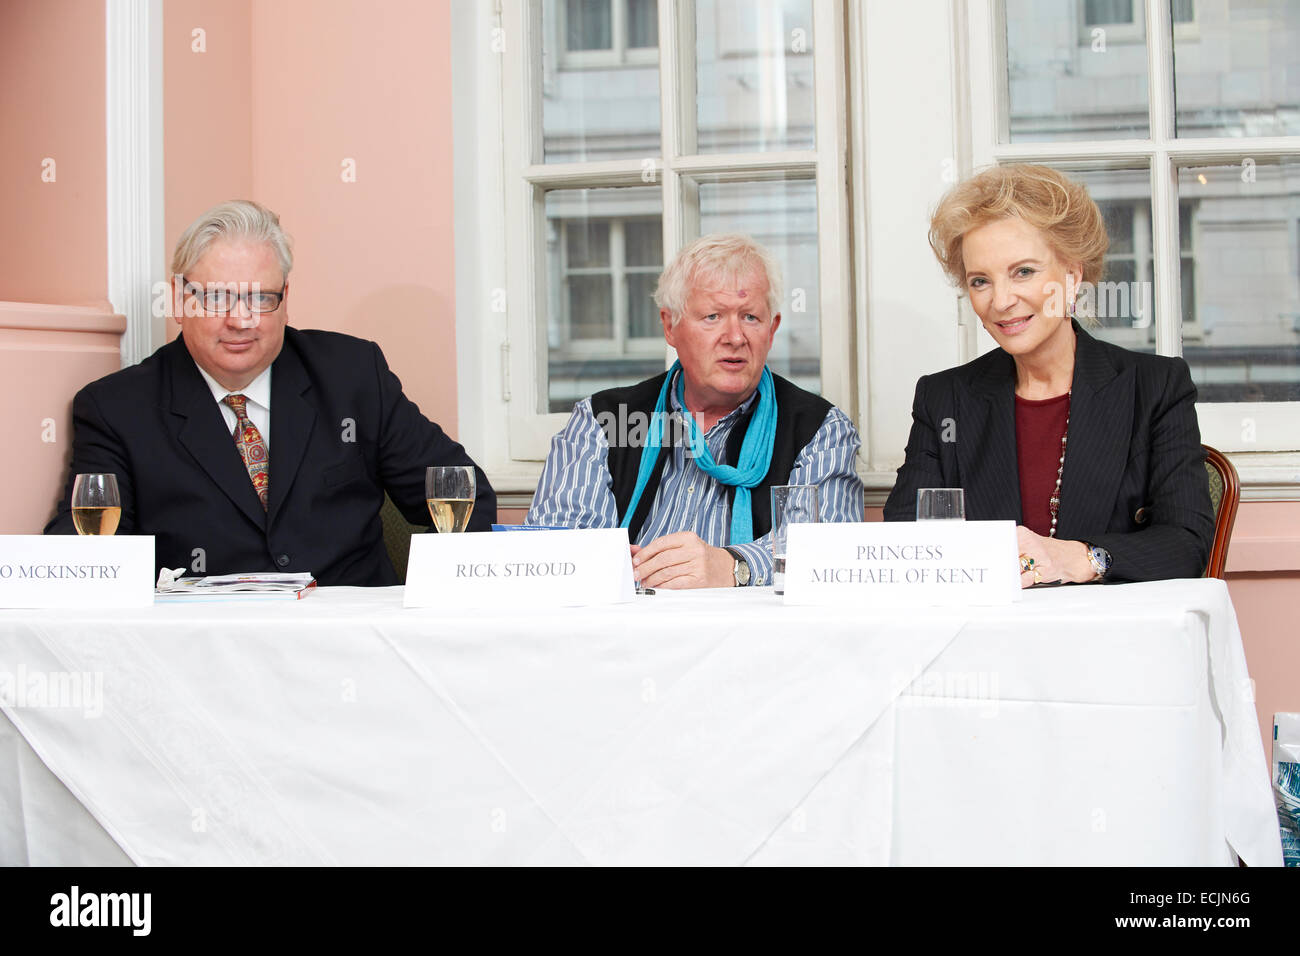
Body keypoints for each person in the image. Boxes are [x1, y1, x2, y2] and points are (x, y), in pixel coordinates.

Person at [45, 199, 495, 585]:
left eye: (260, 298)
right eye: (218, 297)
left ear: (285, 297)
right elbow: (87, 557)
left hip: (354, 641)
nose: (242, 320)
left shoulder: (352, 374)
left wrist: (424, 603)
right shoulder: (116, 409)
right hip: (205, 653)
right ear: (180, 300)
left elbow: (467, 496)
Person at [884, 164, 1214, 584]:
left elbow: (1186, 543)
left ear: (1072, 278)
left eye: (1023, 271)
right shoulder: (943, 397)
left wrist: (1080, 558)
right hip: (981, 640)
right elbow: (905, 541)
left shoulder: (1155, 387)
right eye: (980, 281)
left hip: (1111, 638)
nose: (1001, 300)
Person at [528, 233, 864, 589]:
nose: (735, 337)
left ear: (772, 329)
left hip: (753, 639)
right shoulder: (604, 421)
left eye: (750, 317)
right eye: (713, 316)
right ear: (670, 326)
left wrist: (736, 568)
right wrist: (599, 565)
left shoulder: (819, 429)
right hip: (625, 633)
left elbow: (826, 554)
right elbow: (556, 551)